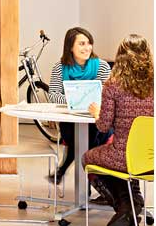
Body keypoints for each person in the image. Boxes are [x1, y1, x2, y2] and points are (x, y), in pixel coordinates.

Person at [83, 34, 154, 226]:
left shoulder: (113, 85)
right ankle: (133, 204)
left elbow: (104, 127)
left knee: (89, 158)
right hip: (151, 157)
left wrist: (96, 113)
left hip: (122, 155)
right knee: (127, 163)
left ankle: (126, 208)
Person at [48, 27, 112, 184]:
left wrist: (77, 100)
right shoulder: (59, 68)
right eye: (82, 44)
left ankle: (70, 171)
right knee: (79, 139)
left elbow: (106, 96)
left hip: (97, 120)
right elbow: (53, 95)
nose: (87, 48)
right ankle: (94, 180)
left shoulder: (102, 67)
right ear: (70, 46)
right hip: (70, 121)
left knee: (92, 137)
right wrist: (76, 101)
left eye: (89, 43)